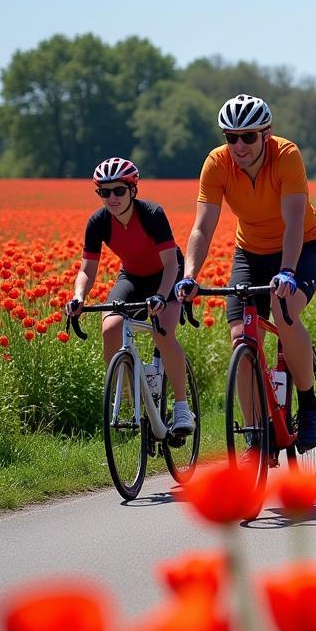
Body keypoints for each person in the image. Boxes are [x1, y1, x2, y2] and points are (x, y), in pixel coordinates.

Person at [175, 94, 316, 454]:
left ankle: (307, 406)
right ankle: (255, 434)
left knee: (284, 310)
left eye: (248, 137)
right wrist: (190, 275)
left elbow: (293, 222)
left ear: (267, 134)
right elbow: (202, 227)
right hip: (250, 252)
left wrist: (288, 271)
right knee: (241, 335)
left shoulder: (287, 155)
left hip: (301, 247)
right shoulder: (217, 163)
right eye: (231, 137)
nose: (239, 145)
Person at [67, 158, 193, 438]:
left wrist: (161, 296)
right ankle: (132, 393)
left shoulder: (151, 214)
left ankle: (182, 406)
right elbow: (87, 269)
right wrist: (78, 296)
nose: (111, 198)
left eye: (119, 191)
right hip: (133, 277)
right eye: (104, 192)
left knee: (162, 328)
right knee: (110, 327)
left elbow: (172, 265)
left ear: (133, 190)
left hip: (167, 274)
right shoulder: (98, 222)